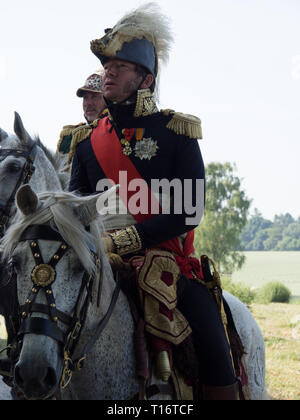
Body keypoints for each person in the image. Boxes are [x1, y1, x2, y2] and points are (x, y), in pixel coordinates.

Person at [69, 3, 239, 400]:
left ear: (144, 79)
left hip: (167, 261)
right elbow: (76, 209)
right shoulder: (85, 142)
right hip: (99, 259)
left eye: (120, 66)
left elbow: (189, 210)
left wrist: (123, 242)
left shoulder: (177, 132)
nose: (108, 71)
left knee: (212, 340)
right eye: (107, 65)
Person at [57, 69, 107, 159]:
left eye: (94, 97)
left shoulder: (117, 129)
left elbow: (123, 171)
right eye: (85, 98)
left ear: (107, 100)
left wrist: (123, 174)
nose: (88, 103)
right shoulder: (69, 136)